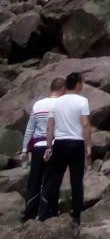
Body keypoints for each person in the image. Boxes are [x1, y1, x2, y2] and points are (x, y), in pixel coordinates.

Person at [39, 71, 93, 226]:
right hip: (76, 143)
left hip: (60, 143)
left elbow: (50, 126)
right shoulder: (82, 101)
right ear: (77, 84)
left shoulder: (56, 103)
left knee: (55, 179)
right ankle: (77, 215)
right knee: (76, 180)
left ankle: (51, 211)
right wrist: (88, 145)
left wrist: (49, 146)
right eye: (82, 83)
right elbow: (85, 124)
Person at [20, 76, 65, 222]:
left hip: (37, 148)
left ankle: (30, 213)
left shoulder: (38, 105)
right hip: (54, 146)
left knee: (35, 179)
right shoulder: (62, 105)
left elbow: (29, 129)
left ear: (51, 88)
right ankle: (47, 212)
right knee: (51, 180)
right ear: (62, 89)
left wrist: (24, 149)